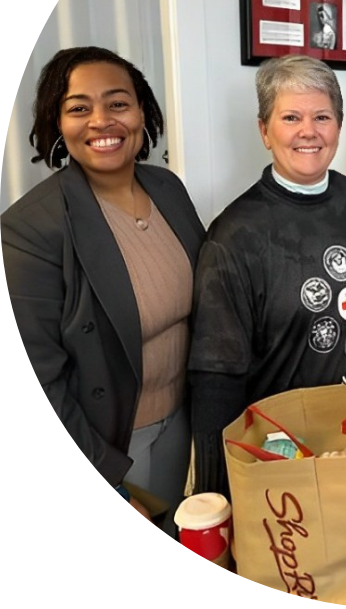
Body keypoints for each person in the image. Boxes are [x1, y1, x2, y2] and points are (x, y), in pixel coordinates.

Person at [188, 54, 346, 495]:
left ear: (338, 124)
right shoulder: (235, 235)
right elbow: (217, 377)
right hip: (290, 452)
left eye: (322, 117)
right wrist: (216, 496)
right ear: (264, 131)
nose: (308, 131)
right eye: (290, 117)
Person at [1, 46, 205, 534]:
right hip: (107, 442)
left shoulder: (168, 189)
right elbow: (41, 379)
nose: (101, 120)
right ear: (57, 122)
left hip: (181, 421)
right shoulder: (30, 230)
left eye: (118, 103)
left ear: (142, 112)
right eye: (78, 108)